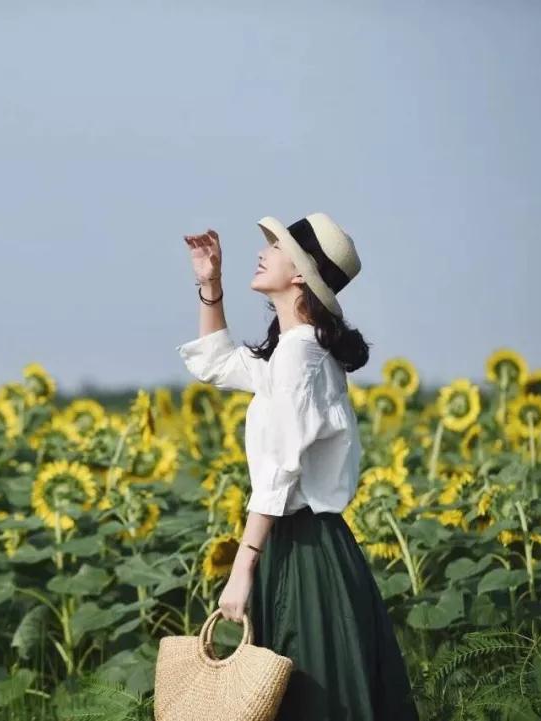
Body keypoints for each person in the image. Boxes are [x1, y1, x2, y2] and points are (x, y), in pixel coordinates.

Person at [175, 214, 420, 721]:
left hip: (303, 552)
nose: (264, 250)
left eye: (279, 246)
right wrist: (210, 285)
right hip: (299, 547)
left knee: (310, 702)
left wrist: (242, 567)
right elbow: (216, 365)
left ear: (301, 274)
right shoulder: (293, 352)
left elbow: (280, 471)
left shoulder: (301, 358)